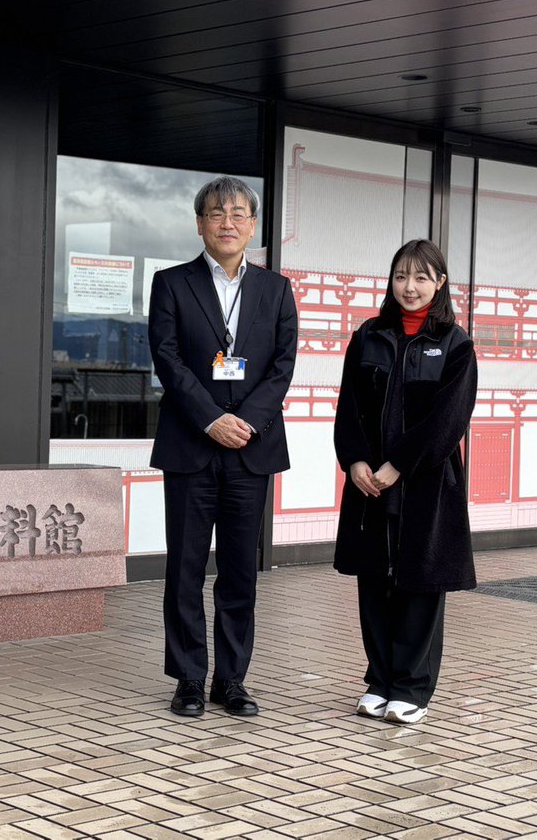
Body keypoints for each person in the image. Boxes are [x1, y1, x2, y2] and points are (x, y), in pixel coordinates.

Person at [148, 176, 298, 717]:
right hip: (191, 443)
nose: (227, 222)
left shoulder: (276, 290)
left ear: (252, 225)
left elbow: (283, 367)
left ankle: (231, 680)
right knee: (185, 566)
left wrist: (245, 422)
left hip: (250, 448)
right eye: (216, 214)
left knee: (239, 569)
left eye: (238, 214)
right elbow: (168, 359)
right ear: (200, 223)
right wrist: (212, 419)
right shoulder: (171, 284)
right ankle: (189, 678)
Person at [333, 239, 477, 725]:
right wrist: (355, 461)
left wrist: (398, 463)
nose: (409, 287)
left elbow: (448, 419)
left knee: (418, 584)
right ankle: (380, 680)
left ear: (439, 283)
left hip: (426, 486)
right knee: (374, 581)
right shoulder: (369, 336)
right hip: (369, 483)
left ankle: (412, 688)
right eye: (401, 276)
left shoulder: (456, 344)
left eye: (420, 277)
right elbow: (349, 407)